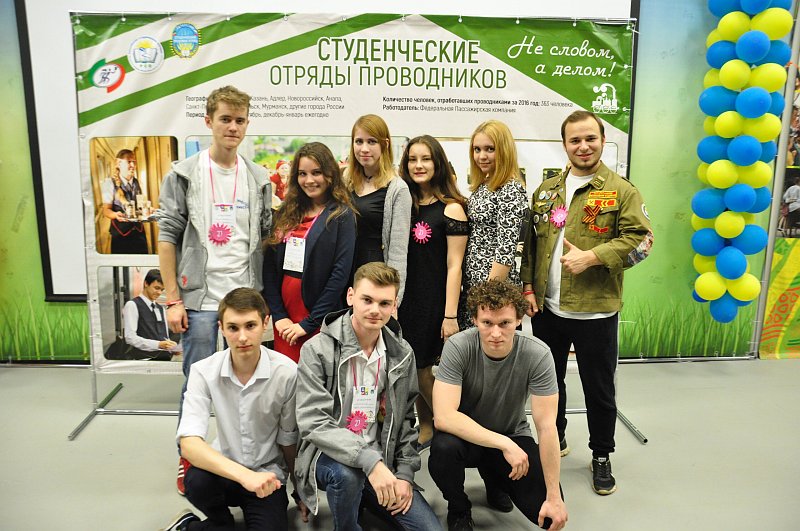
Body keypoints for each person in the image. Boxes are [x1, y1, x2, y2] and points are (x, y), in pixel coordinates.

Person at [520, 110, 653, 496]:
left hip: (596, 310)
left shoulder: (622, 191)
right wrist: (528, 287)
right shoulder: (546, 190)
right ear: (564, 144)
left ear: (602, 141)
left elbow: (642, 239)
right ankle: (556, 438)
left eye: (590, 138)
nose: (583, 146)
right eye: (575, 140)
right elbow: (532, 244)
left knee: (599, 389)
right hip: (548, 308)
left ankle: (601, 454)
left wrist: (593, 256)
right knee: (550, 383)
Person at [157, 85, 272, 494]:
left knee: (249, 384)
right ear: (209, 121)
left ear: (247, 124)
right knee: (197, 385)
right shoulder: (184, 174)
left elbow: (264, 237)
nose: (232, 127)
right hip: (201, 300)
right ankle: (189, 459)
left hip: (246, 298)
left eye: (240, 120)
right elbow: (167, 237)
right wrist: (173, 299)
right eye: (225, 119)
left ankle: (244, 458)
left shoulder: (258, 178)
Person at [294, 263, 441, 530]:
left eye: (384, 303)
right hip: (330, 456)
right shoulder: (317, 350)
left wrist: (404, 475)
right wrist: (371, 463)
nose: (375, 310)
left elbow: (407, 420)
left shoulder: (401, 353)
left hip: (381, 460)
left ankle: (364, 499)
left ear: (394, 305)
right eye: (367, 300)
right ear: (350, 296)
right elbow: (313, 421)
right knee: (348, 477)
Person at [163, 288, 307, 531]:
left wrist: (301, 490)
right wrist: (245, 476)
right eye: (233, 328)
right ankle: (220, 522)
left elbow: (288, 440)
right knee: (196, 481)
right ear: (221, 328)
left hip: (266, 476)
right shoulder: (203, 371)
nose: (242, 337)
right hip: (224, 472)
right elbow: (189, 444)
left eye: (250, 326)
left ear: (265, 323)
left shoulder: (287, 373)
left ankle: (196, 527)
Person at [429, 280, 568, 531]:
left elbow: (547, 428)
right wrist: (504, 444)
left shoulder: (538, 354)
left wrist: (554, 497)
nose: (495, 333)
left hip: (512, 433)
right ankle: (458, 507)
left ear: (518, 320)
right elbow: (444, 417)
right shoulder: (458, 347)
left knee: (547, 516)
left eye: (504, 323)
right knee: (442, 449)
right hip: (467, 438)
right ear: (474, 320)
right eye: (487, 323)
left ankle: (496, 481)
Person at [397, 135, 468, 450]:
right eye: (413, 159)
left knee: (422, 367)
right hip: (406, 299)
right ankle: (426, 427)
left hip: (433, 301)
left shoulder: (451, 209)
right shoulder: (405, 204)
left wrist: (449, 315)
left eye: (425, 158)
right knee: (411, 365)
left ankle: (451, 422)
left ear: (437, 162)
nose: (418, 165)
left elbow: (455, 266)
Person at [263, 142, 357, 363]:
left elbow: (340, 275)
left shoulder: (341, 216)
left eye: (316, 172)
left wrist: (309, 323)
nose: (309, 180)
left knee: (315, 378)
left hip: (319, 319)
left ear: (330, 174)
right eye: (302, 174)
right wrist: (279, 316)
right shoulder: (286, 212)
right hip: (285, 321)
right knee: (286, 377)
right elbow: (269, 268)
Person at [458, 120, 528, 329]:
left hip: (494, 292)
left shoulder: (510, 189)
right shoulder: (484, 185)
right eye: (477, 149)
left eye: (490, 149)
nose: (482, 156)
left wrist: (487, 298)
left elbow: (505, 250)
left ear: (504, 150)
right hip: (475, 286)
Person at [346, 114, 412, 303]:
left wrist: (394, 301)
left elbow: (398, 253)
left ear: (385, 144)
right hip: (345, 274)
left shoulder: (397, 189)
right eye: (359, 141)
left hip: (376, 280)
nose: (364, 149)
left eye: (372, 142)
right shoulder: (346, 182)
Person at [121, 268, 177, 360]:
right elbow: (130, 338)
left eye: (162, 289)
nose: (159, 293)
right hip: (144, 360)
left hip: (164, 359)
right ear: (146, 284)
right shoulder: (132, 305)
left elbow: (165, 336)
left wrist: (172, 347)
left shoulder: (161, 308)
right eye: (156, 288)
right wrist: (158, 344)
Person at [102, 149, 148, 254]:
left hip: (139, 232)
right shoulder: (109, 183)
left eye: (134, 162)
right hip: (120, 235)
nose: (133, 165)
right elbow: (106, 210)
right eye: (129, 162)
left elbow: (140, 205)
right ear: (119, 163)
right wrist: (115, 215)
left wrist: (147, 210)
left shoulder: (136, 182)